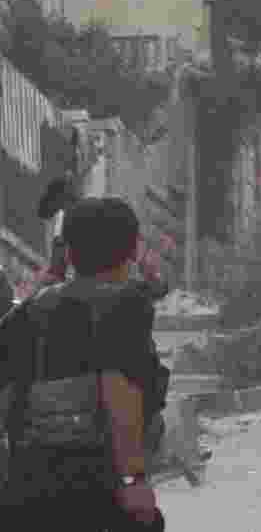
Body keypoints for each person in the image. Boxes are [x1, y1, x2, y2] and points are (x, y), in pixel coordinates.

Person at [0, 197, 169, 530]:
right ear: (132, 250)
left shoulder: (28, 311)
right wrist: (133, 482)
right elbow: (119, 389)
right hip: (96, 484)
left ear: (69, 253)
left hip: (26, 486)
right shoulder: (126, 304)